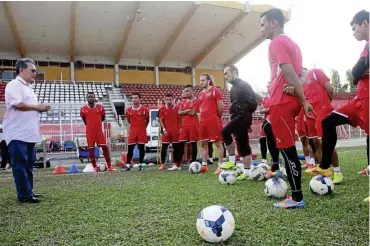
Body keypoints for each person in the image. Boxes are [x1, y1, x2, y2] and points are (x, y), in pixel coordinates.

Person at [305, 10, 369, 200]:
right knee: (328, 122)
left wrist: (362, 68)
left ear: (365, 23)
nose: (353, 32)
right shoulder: (366, 47)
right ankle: (325, 167)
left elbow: (359, 70)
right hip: (358, 100)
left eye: (354, 27)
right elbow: (355, 72)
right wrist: (363, 66)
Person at [260, 8, 315, 209]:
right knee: (273, 135)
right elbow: (302, 72)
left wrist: (303, 100)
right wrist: (299, 96)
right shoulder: (293, 44)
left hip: (282, 102)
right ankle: (285, 177)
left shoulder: (277, 42)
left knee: (287, 150)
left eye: (263, 24)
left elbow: (291, 72)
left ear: (274, 23)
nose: (261, 29)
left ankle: (297, 197)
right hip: (285, 100)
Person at [3, 58, 51, 203]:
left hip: (28, 133)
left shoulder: (28, 88)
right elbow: (17, 104)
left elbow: (27, 107)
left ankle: (28, 191)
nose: (35, 73)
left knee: (29, 164)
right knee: (20, 164)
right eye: (33, 70)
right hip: (17, 133)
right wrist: (38, 107)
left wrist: (39, 109)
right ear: (22, 70)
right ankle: (23, 195)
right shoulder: (14, 85)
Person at [220, 65, 259, 181]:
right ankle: (247, 173)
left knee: (225, 132)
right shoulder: (234, 88)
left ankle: (232, 162)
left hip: (242, 117)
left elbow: (253, 103)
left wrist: (245, 115)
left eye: (227, 73)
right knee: (243, 145)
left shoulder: (243, 85)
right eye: (224, 74)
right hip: (238, 117)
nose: (225, 76)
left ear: (234, 72)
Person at [80, 92, 117, 172]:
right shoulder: (83, 109)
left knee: (105, 148)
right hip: (90, 132)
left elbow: (102, 118)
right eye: (89, 97)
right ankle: (94, 167)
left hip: (99, 132)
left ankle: (109, 166)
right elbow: (85, 121)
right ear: (86, 98)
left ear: (94, 98)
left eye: (92, 97)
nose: (90, 98)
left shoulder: (100, 107)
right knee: (91, 149)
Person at [196, 74, 224, 173]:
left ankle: (220, 166)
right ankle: (204, 165)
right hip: (203, 122)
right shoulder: (200, 94)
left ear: (208, 81)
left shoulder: (215, 90)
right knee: (203, 143)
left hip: (213, 120)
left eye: (203, 80)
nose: (201, 82)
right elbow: (199, 109)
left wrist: (216, 117)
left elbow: (220, 106)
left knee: (218, 143)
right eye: (200, 80)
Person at [122, 92, 149, 171]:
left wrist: (143, 127)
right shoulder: (128, 110)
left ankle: (140, 164)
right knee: (130, 149)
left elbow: (147, 120)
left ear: (139, 99)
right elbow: (129, 120)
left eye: (136, 98)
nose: (134, 100)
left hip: (141, 131)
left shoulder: (144, 109)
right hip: (133, 131)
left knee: (141, 148)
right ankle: (127, 165)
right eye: (133, 98)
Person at [158, 93, 182, 171]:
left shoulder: (177, 108)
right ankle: (163, 164)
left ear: (173, 100)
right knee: (164, 147)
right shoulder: (162, 109)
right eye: (167, 99)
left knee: (176, 148)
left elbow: (180, 120)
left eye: (170, 99)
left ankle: (175, 164)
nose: (168, 101)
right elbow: (160, 119)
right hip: (166, 132)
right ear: (164, 100)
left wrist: (180, 129)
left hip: (175, 132)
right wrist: (164, 129)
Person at [178, 85, 199, 164]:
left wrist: (184, 111)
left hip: (193, 125)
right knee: (181, 143)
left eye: (187, 91)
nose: (186, 93)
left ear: (192, 91)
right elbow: (179, 112)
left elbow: (193, 112)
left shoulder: (197, 101)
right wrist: (188, 110)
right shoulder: (183, 102)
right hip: (184, 126)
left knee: (193, 143)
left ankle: (193, 161)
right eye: (185, 91)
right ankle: (178, 162)